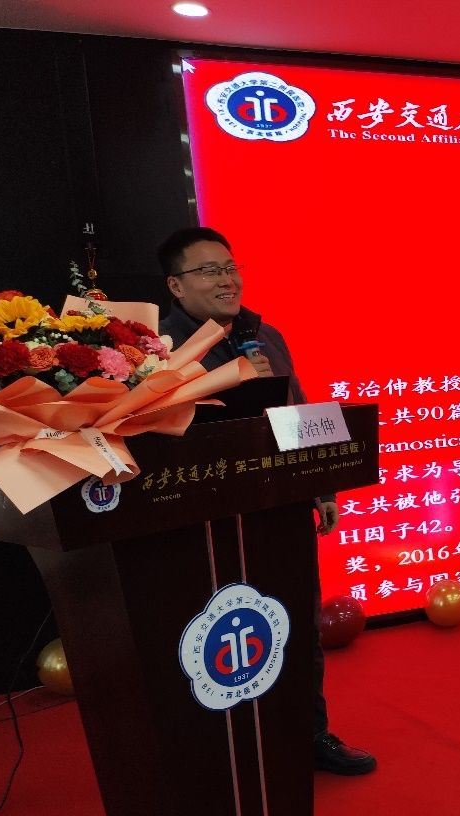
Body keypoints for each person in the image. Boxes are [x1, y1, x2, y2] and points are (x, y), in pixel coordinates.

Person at [157, 226, 376, 776]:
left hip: (281, 505)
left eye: (231, 267)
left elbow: (296, 408)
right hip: (206, 518)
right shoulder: (156, 348)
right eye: (209, 270)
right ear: (176, 286)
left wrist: (321, 486)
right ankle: (224, 755)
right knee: (216, 635)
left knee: (296, 622)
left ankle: (310, 735)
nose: (227, 280)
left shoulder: (263, 334)